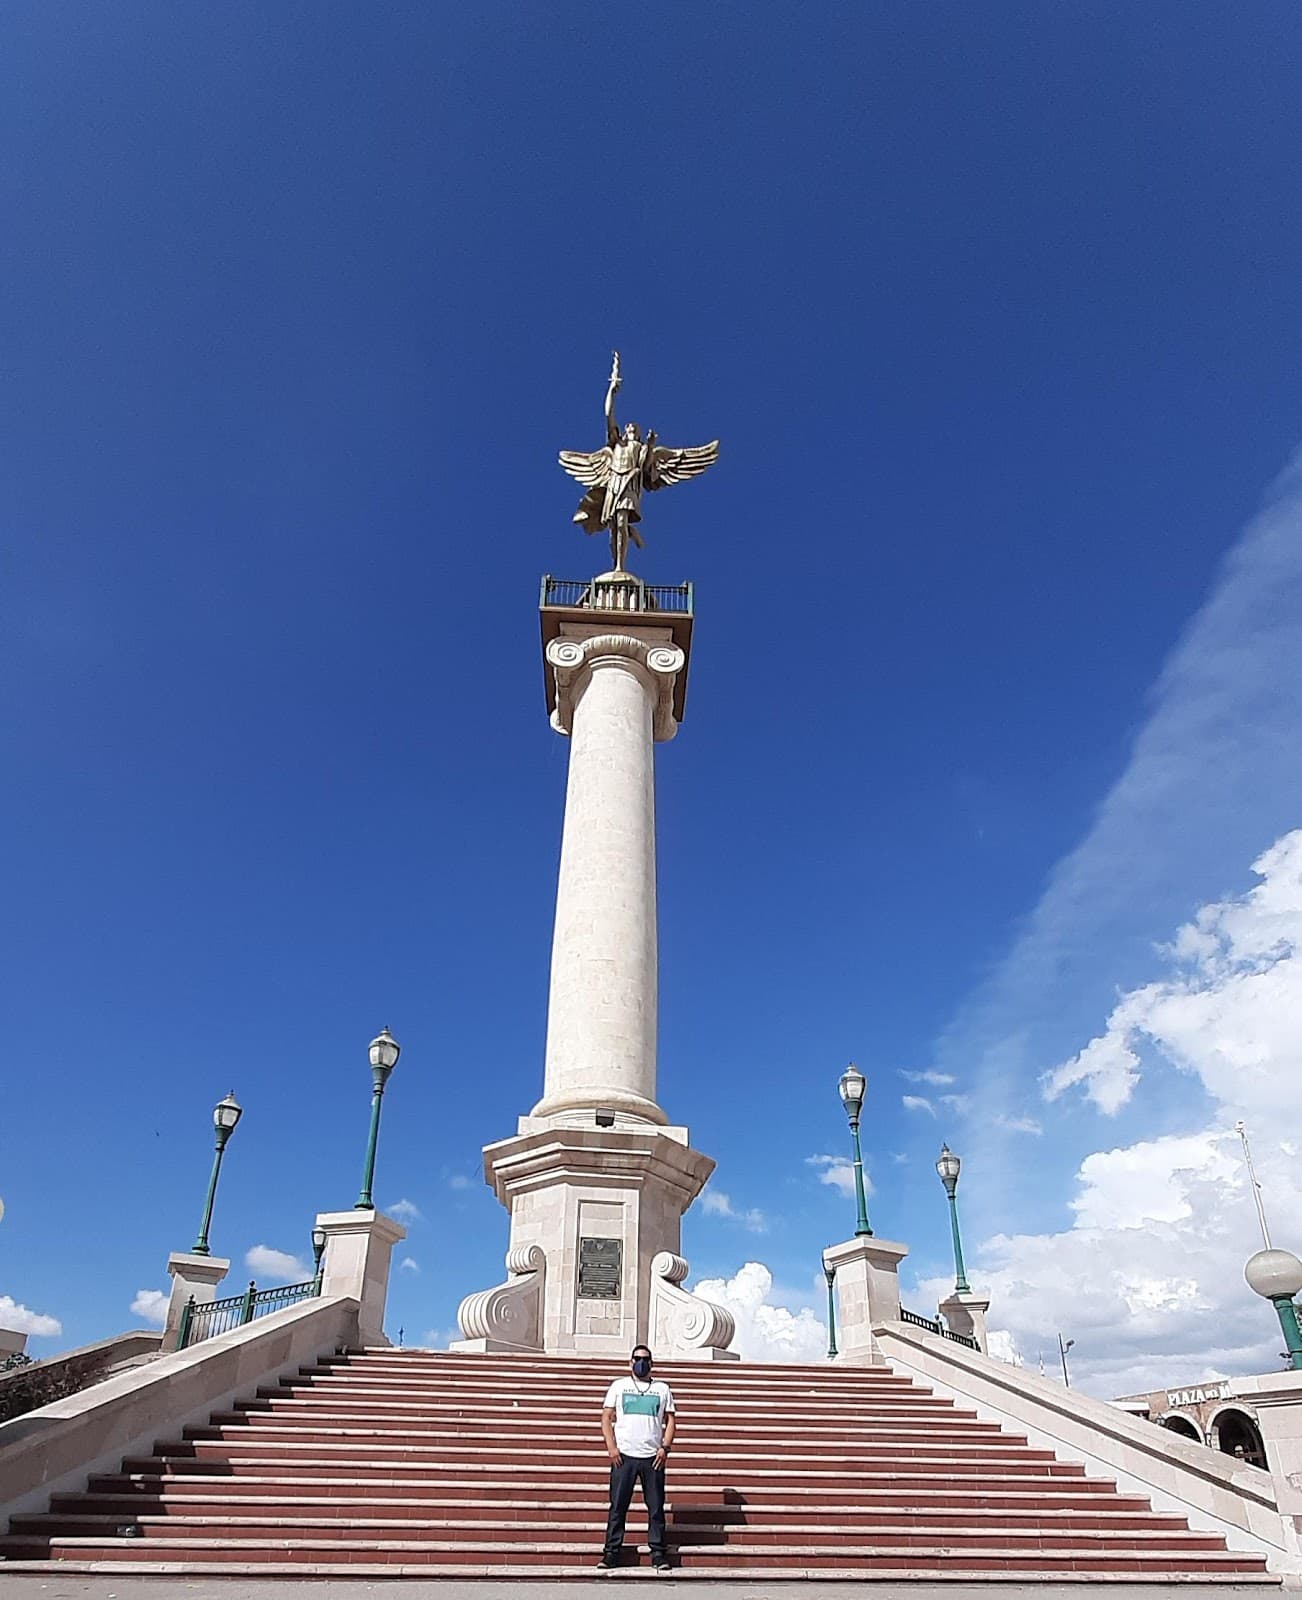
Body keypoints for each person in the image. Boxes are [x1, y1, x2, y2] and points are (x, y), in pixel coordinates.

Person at [599, 1344, 676, 1573]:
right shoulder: (619, 1386)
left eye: (645, 1359)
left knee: (655, 1508)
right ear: (630, 1362)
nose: (641, 1362)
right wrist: (612, 1447)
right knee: (618, 1507)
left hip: (652, 1457)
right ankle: (611, 1553)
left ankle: (658, 1553)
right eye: (637, 1358)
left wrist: (665, 1448)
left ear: (651, 1363)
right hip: (624, 1457)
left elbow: (670, 1420)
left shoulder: (662, 1389)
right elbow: (606, 1417)